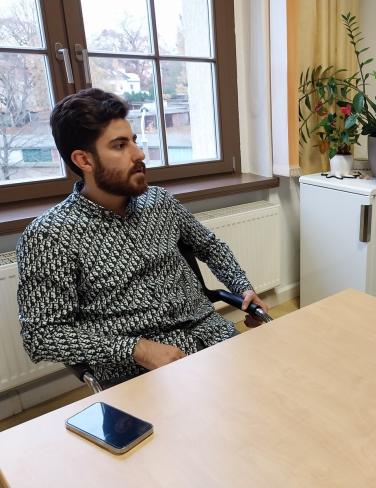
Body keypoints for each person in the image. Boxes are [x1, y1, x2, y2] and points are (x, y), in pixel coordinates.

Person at [16, 88, 268, 385]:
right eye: (120, 146)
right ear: (84, 160)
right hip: (139, 373)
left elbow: (210, 246)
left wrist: (242, 285)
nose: (139, 154)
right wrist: (136, 349)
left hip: (213, 338)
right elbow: (41, 336)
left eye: (133, 141)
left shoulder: (159, 202)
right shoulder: (49, 236)